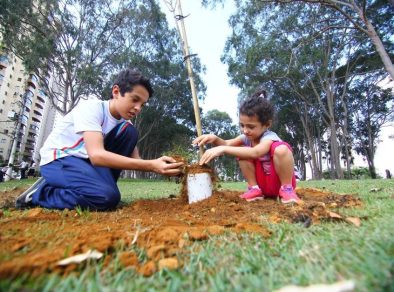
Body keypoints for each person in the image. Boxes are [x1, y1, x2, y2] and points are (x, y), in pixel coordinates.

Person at [16, 68, 184, 210]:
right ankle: (41, 193)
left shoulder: (125, 123)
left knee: (130, 131)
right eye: (135, 100)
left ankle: (96, 186)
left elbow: (136, 160)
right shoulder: (92, 108)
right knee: (106, 198)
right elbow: (97, 156)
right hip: (60, 159)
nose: (138, 108)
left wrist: (165, 166)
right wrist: (152, 166)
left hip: (85, 162)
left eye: (143, 104)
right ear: (116, 92)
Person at [192, 89, 301, 204]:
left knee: (281, 149)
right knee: (243, 153)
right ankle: (254, 190)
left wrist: (223, 149)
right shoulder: (246, 138)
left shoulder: (269, 137)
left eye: (251, 127)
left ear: (267, 124)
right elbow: (226, 143)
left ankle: (287, 190)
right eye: (242, 125)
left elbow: (256, 152)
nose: (245, 130)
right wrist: (214, 138)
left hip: (278, 182)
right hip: (263, 184)